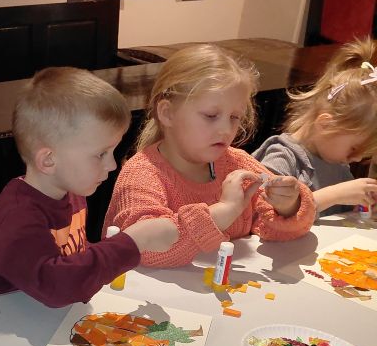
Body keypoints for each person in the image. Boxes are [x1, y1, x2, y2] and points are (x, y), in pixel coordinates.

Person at [0, 68, 177, 306]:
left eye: (112, 151)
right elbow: (57, 286)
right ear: (49, 160)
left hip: (45, 319)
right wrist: (135, 240)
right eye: (101, 154)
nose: (111, 165)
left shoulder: (72, 194)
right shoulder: (17, 217)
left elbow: (74, 255)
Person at [104, 44, 316, 268]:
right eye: (211, 115)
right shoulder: (142, 174)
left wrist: (288, 206)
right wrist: (224, 211)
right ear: (167, 113)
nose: (225, 129)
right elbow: (144, 251)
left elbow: (284, 230)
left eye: (234, 117)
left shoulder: (237, 163)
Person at [253, 38, 377, 217]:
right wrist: (335, 195)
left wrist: (364, 206)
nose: (357, 158)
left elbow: (340, 214)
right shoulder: (282, 156)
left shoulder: (338, 165)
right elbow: (264, 214)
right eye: (354, 148)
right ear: (325, 124)